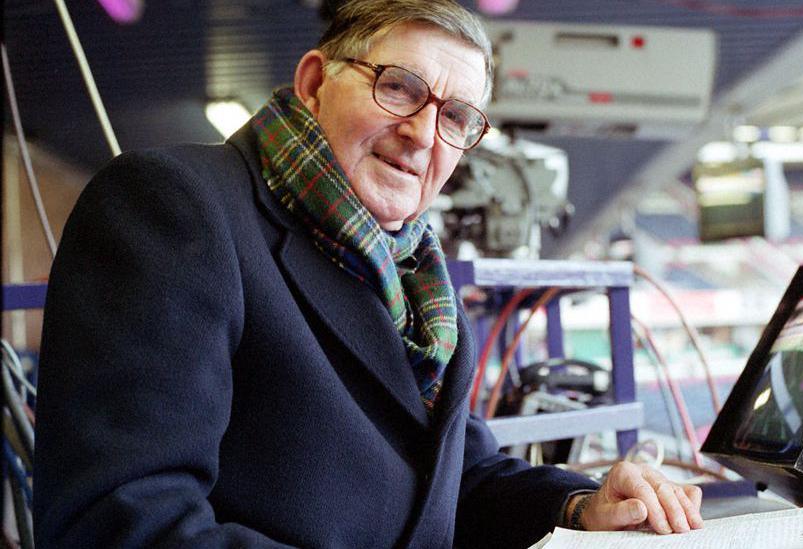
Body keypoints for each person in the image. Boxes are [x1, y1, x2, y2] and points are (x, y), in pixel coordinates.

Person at [34, 1, 703, 547]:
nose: (422, 133)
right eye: (400, 88)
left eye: (456, 117)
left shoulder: (414, 273)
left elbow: (453, 476)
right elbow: (121, 519)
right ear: (313, 82)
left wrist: (581, 504)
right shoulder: (172, 205)